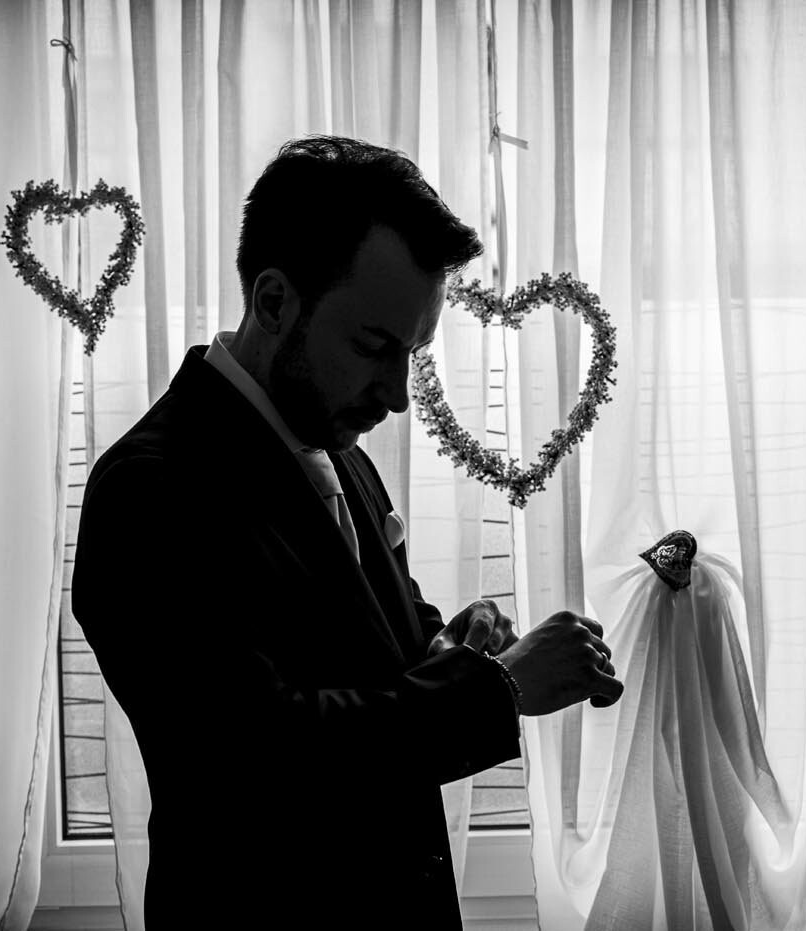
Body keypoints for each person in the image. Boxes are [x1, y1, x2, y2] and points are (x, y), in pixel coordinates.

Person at [71, 135, 624, 930]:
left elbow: (377, 644)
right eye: (373, 347)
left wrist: (456, 645)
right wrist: (497, 689)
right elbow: (263, 757)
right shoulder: (151, 490)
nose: (397, 396)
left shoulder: (337, 446)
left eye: (412, 355)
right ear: (274, 302)